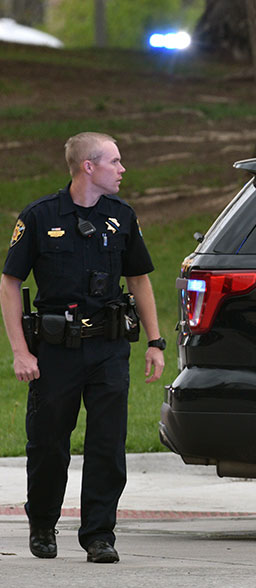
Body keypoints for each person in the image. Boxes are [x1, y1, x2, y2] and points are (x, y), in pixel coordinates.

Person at [1, 132, 165, 563]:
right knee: (49, 443)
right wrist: (20, 350)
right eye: (115, 161)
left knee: (108, 444)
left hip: (108, 348)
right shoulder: (39, 217)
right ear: (88, 167)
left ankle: (99, 534)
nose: (122, 168)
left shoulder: (122, 217)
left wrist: (154, 340)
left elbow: (140, 279)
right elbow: (10, 282)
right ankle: (42, 524)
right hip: (56, 351)